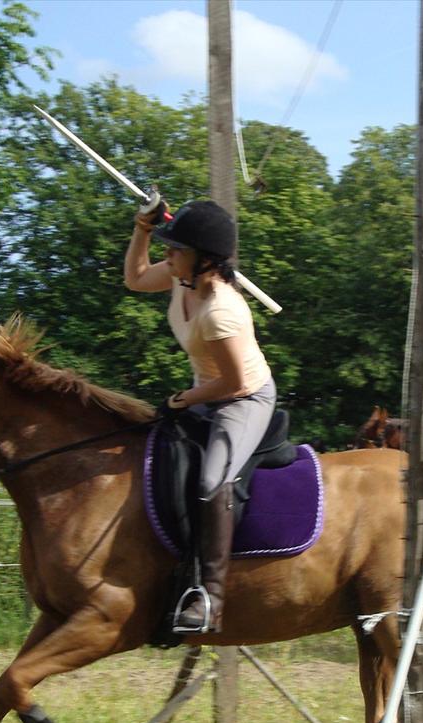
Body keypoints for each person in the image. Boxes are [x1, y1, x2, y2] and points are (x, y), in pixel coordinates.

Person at [124, 199, 275, 633]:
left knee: (212, 483)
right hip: (207, 391)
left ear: (204, 258)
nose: (167, 256)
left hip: (244, 399)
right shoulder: (181, 279)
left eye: (175, 249)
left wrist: (182, 400)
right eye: (167, 248)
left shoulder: (222, 311)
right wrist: (142, 229)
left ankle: (211, 597)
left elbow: (233, 384)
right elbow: (134, 278)